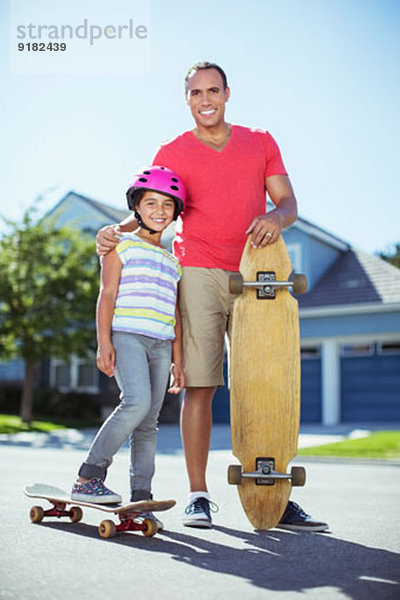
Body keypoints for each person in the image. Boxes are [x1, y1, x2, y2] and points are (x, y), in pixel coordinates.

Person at [96, 62, 329, 532]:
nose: (205, 99)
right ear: (186, 98)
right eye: (196, 92)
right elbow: (152, 202)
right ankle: (198, 495)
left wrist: (276, 220)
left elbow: (288, 204)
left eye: (213, 90)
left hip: (256, 272)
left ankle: (274, 493)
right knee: (200, 386)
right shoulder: (172, 150)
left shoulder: (260, 141)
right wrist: (113, 232)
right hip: (198, 271)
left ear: (227, 93)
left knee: (265, 385)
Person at [71, 166, 185, 530]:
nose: (159, 210)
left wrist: (177, 361)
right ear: (136, 206)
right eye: (151, 202)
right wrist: (103, 342)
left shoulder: (172, 261)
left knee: (149, 422)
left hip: (161, 343)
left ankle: (141, 498)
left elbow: (176, 315)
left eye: (168, 204)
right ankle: (89, 476)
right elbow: (107, 295)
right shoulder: (120, 244)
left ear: (175, 212)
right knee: (135, 402)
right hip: (127, 336)